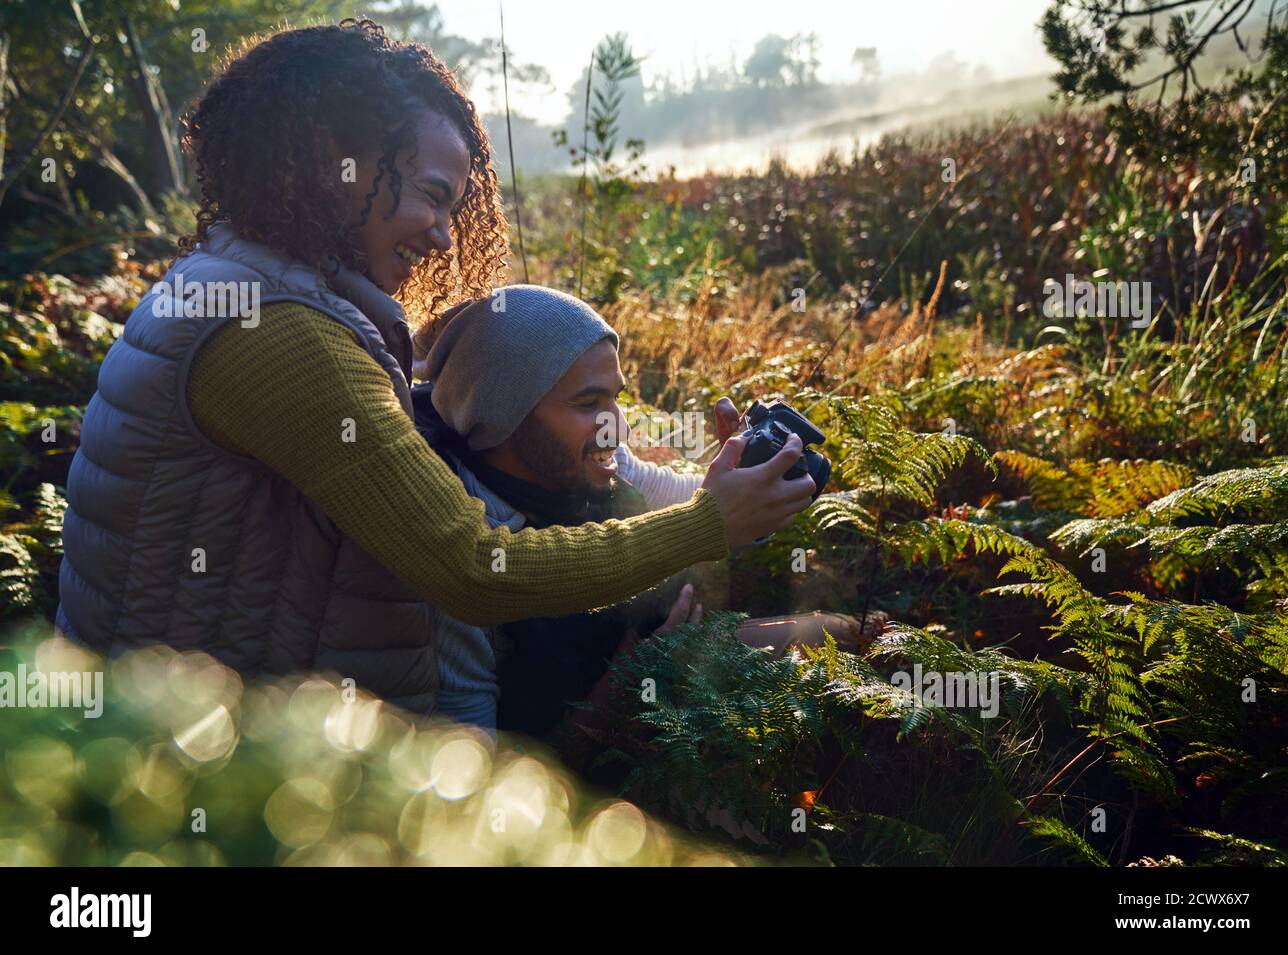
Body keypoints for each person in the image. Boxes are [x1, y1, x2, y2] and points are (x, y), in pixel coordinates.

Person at [54, 19, 815, 717]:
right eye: (431, 195)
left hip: (190, 737)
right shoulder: (276, 332)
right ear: (333, 163)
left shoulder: (247, 291)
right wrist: (705, 525)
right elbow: (470, 567)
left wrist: (718, 488)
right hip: (190, 766)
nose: (447, 239)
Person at [411, 284, 867, 733]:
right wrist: (632, 683)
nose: (620, 428)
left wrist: (750, 468)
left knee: (847, 636)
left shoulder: (592, 462)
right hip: (594, 753)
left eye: (617, 398)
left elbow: (689, 501)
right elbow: (475, 773)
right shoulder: (462, 554)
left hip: (661, 653)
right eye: (588, 403)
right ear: (503, 415)